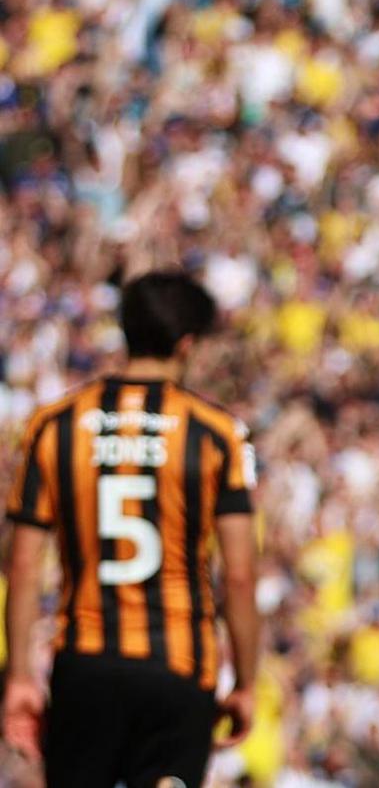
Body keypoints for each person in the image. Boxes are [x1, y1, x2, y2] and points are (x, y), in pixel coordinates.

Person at [2, 271, 260, 787]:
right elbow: (238, 576)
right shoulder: (216, 435)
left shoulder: (55, 424)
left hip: (85, 661)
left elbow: (25, 563)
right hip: (180, 665)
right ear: (187, 344)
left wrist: (19, 677)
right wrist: (247, 681)